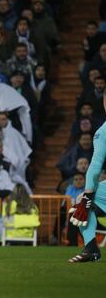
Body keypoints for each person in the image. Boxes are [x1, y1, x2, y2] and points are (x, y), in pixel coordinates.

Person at [68, 95, 106, 262]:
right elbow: (95, 165)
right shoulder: (103, 132)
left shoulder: (103, 132)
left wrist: (88, 196)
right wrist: (88, 196)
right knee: (81, 201)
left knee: (83, 200)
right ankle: (91, 248)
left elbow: (96, 164)